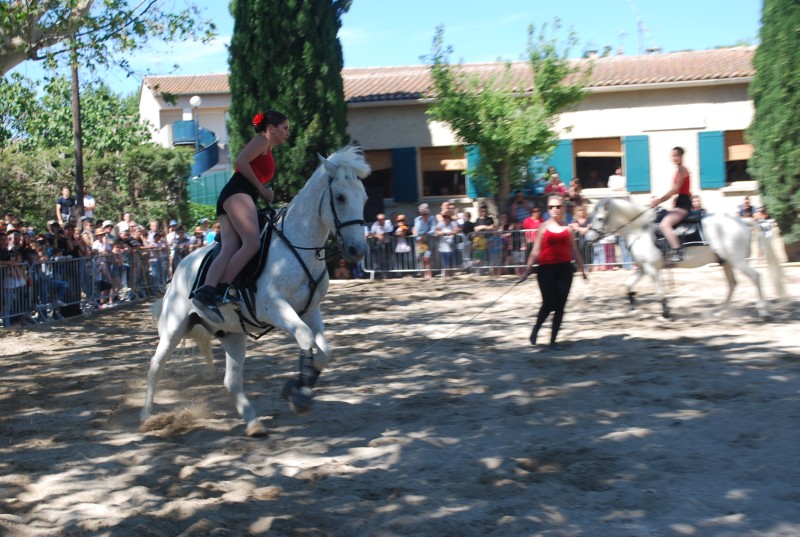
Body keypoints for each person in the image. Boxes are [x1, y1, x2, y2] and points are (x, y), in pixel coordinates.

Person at [192, 110, 290, 322]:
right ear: (271, 128)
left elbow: (248, 167)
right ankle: (223, 289)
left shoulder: (266, 146)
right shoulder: (262, 140)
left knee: (229, 248)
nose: (287, 133)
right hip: (238, 193)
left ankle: (205, 293)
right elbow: (241, 161)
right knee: (252, 243)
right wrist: (261, 189)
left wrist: (262, 190)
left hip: (234, 195)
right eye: (285, 128)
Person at [518, 195, 586, 350]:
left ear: (563, 208)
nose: (554, 210)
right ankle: (536, 328)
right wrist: (526, 270)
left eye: (557, 206)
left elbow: (574, 250)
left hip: (565, 269)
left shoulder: (568, 228)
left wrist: (582, 269)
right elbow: (535, 251)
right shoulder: (543, 227)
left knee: (560, 306)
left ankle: (553, 341)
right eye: (550, 207)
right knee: (549, 304)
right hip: (546, 269)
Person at [650, 146, 692, 264]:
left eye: (676, 155)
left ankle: (677, 251)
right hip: (679, 202)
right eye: (672, 156)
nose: (674, 158)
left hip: (683, 204)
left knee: (665, 224)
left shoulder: (682, 171)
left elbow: (674, 190)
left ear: (681, 156)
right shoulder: (679, 170)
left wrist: (658, 201)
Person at [413, 203, 436, 279]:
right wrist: (420, 236)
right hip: (420, 241)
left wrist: (425, 234)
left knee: (428, 257)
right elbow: (417, 230)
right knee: (422, 258)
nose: (422, 213)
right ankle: (424, 273)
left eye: (423, 211)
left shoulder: (432, 218)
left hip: (429, 240)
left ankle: (429, 273)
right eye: (421, 211)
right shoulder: (417, 219)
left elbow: (433, 230)